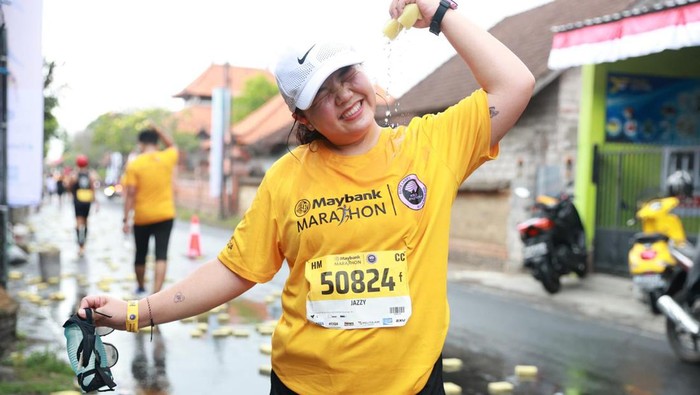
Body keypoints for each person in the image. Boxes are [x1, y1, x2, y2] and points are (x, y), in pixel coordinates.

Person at [77, 1, 535, 393]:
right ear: (303, 116)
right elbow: (232, 271)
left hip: (412, 384)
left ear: (365, 72)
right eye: (322, 93)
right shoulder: (286, 179)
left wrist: (439, 13)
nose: (343, 96)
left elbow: (515, 84)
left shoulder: (430, 147)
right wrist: (136, 313)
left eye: (346, 75)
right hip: (304, 383)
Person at [122, 125, 178, 295]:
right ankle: (157, 292)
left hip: (142, 216)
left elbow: (130, 194)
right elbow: (173, 146)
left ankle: (140, 287)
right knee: (161, 254)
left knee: (141, 253)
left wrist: (126, 219)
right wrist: (160, 130)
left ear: (141, 143)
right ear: (157, 142)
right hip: (165, 214)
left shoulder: (135, 164)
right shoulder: (167, 157)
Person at [67, 155, 98, 256]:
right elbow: (93, 188)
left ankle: (80, 246)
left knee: (78, 223)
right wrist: (95, 201)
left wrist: (71, 194)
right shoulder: (91, 174)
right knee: (85, 223)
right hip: (87, 201)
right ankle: (83, 245)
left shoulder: (74, 174)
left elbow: (69, 186)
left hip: (78, 201)